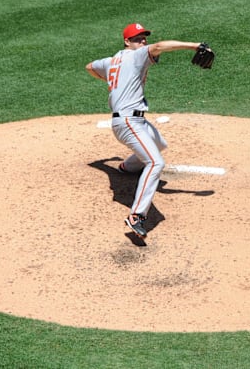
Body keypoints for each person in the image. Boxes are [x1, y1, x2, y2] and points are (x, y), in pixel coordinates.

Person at [85, 23, 208, 238]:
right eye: (138, 38)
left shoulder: (112, 61)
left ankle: (127, 167)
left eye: (144, 37)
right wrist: (195, 45)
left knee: (160, 144)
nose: (143, 42)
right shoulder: (137, 56)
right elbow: (159, 46)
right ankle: (137, 216)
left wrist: (114, 81)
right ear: (127, 41)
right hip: (128, 123)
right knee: (155, 162)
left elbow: (89, 67)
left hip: (134, 122)